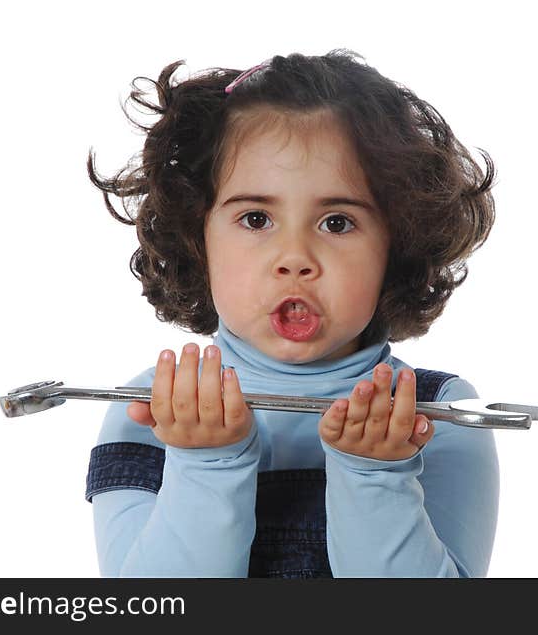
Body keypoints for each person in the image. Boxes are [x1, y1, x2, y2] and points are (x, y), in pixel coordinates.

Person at [84, 49, 499, 578]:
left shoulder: (440, 413)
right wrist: (205, 461)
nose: (296, 260)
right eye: (256, 219)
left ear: (396, 247)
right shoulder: (149, 410)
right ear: (196, 236)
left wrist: (375, 475)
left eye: (337, 223)